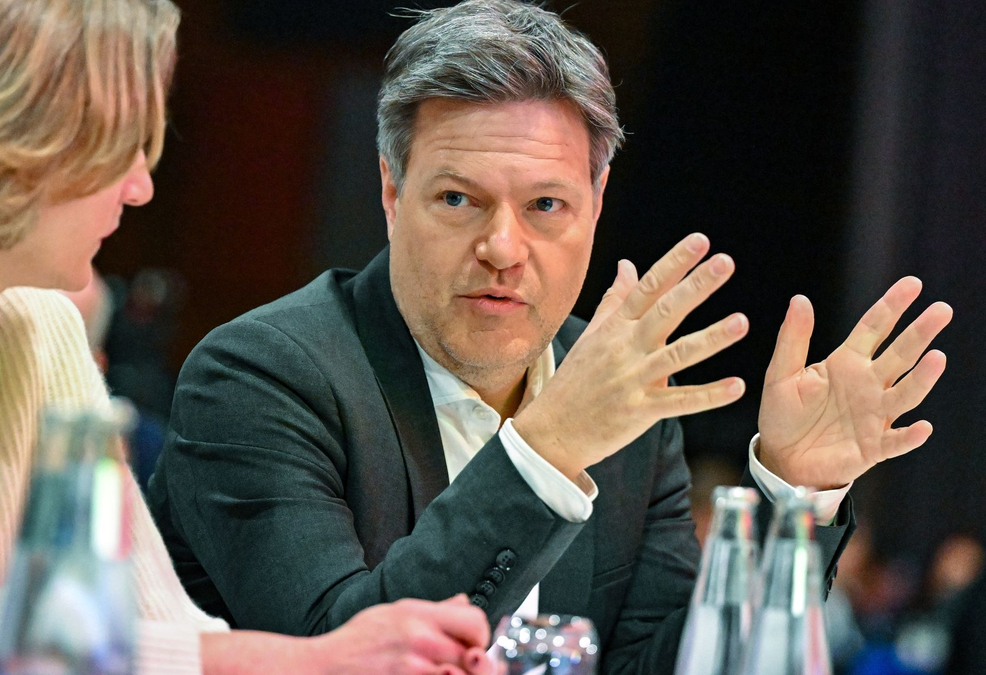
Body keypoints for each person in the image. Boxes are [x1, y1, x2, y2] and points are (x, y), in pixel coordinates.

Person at [147, 1, 953, 672]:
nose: (503, 247)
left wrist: (793, 499)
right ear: (392, 193)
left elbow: (665, 663)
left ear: (597, 205)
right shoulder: (259, 377)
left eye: (546, 207)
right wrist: (548, 446)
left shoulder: (623, 399)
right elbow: (343, 652)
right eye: (459, 199)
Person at [0, 1, 497, 674]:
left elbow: (147, 622)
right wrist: (313, 660)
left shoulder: (39, 324)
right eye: (124, 148)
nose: (139, 188)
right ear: (7, 145)